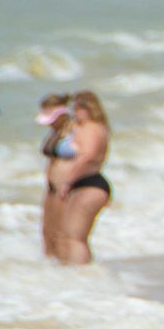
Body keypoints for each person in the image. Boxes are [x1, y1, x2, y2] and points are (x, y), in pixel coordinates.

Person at [53, 91, 111, 265]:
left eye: (76, 109)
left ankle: (82, 277)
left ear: (86, 108)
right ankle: (77, 276)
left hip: (90, 184)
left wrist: (68, 181)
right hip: (86, 183)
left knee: (76, 237)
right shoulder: (89, 127)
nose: (74, 113)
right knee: (70, 235)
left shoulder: (93, 128)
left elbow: (88, 156)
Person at [36, 93, 73, 258]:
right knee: (46, 230)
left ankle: (66, 267)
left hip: (63, 185)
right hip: (51, 185)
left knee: (60, 231)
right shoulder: (55, 131)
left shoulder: (73, 129)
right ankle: (51, 271)